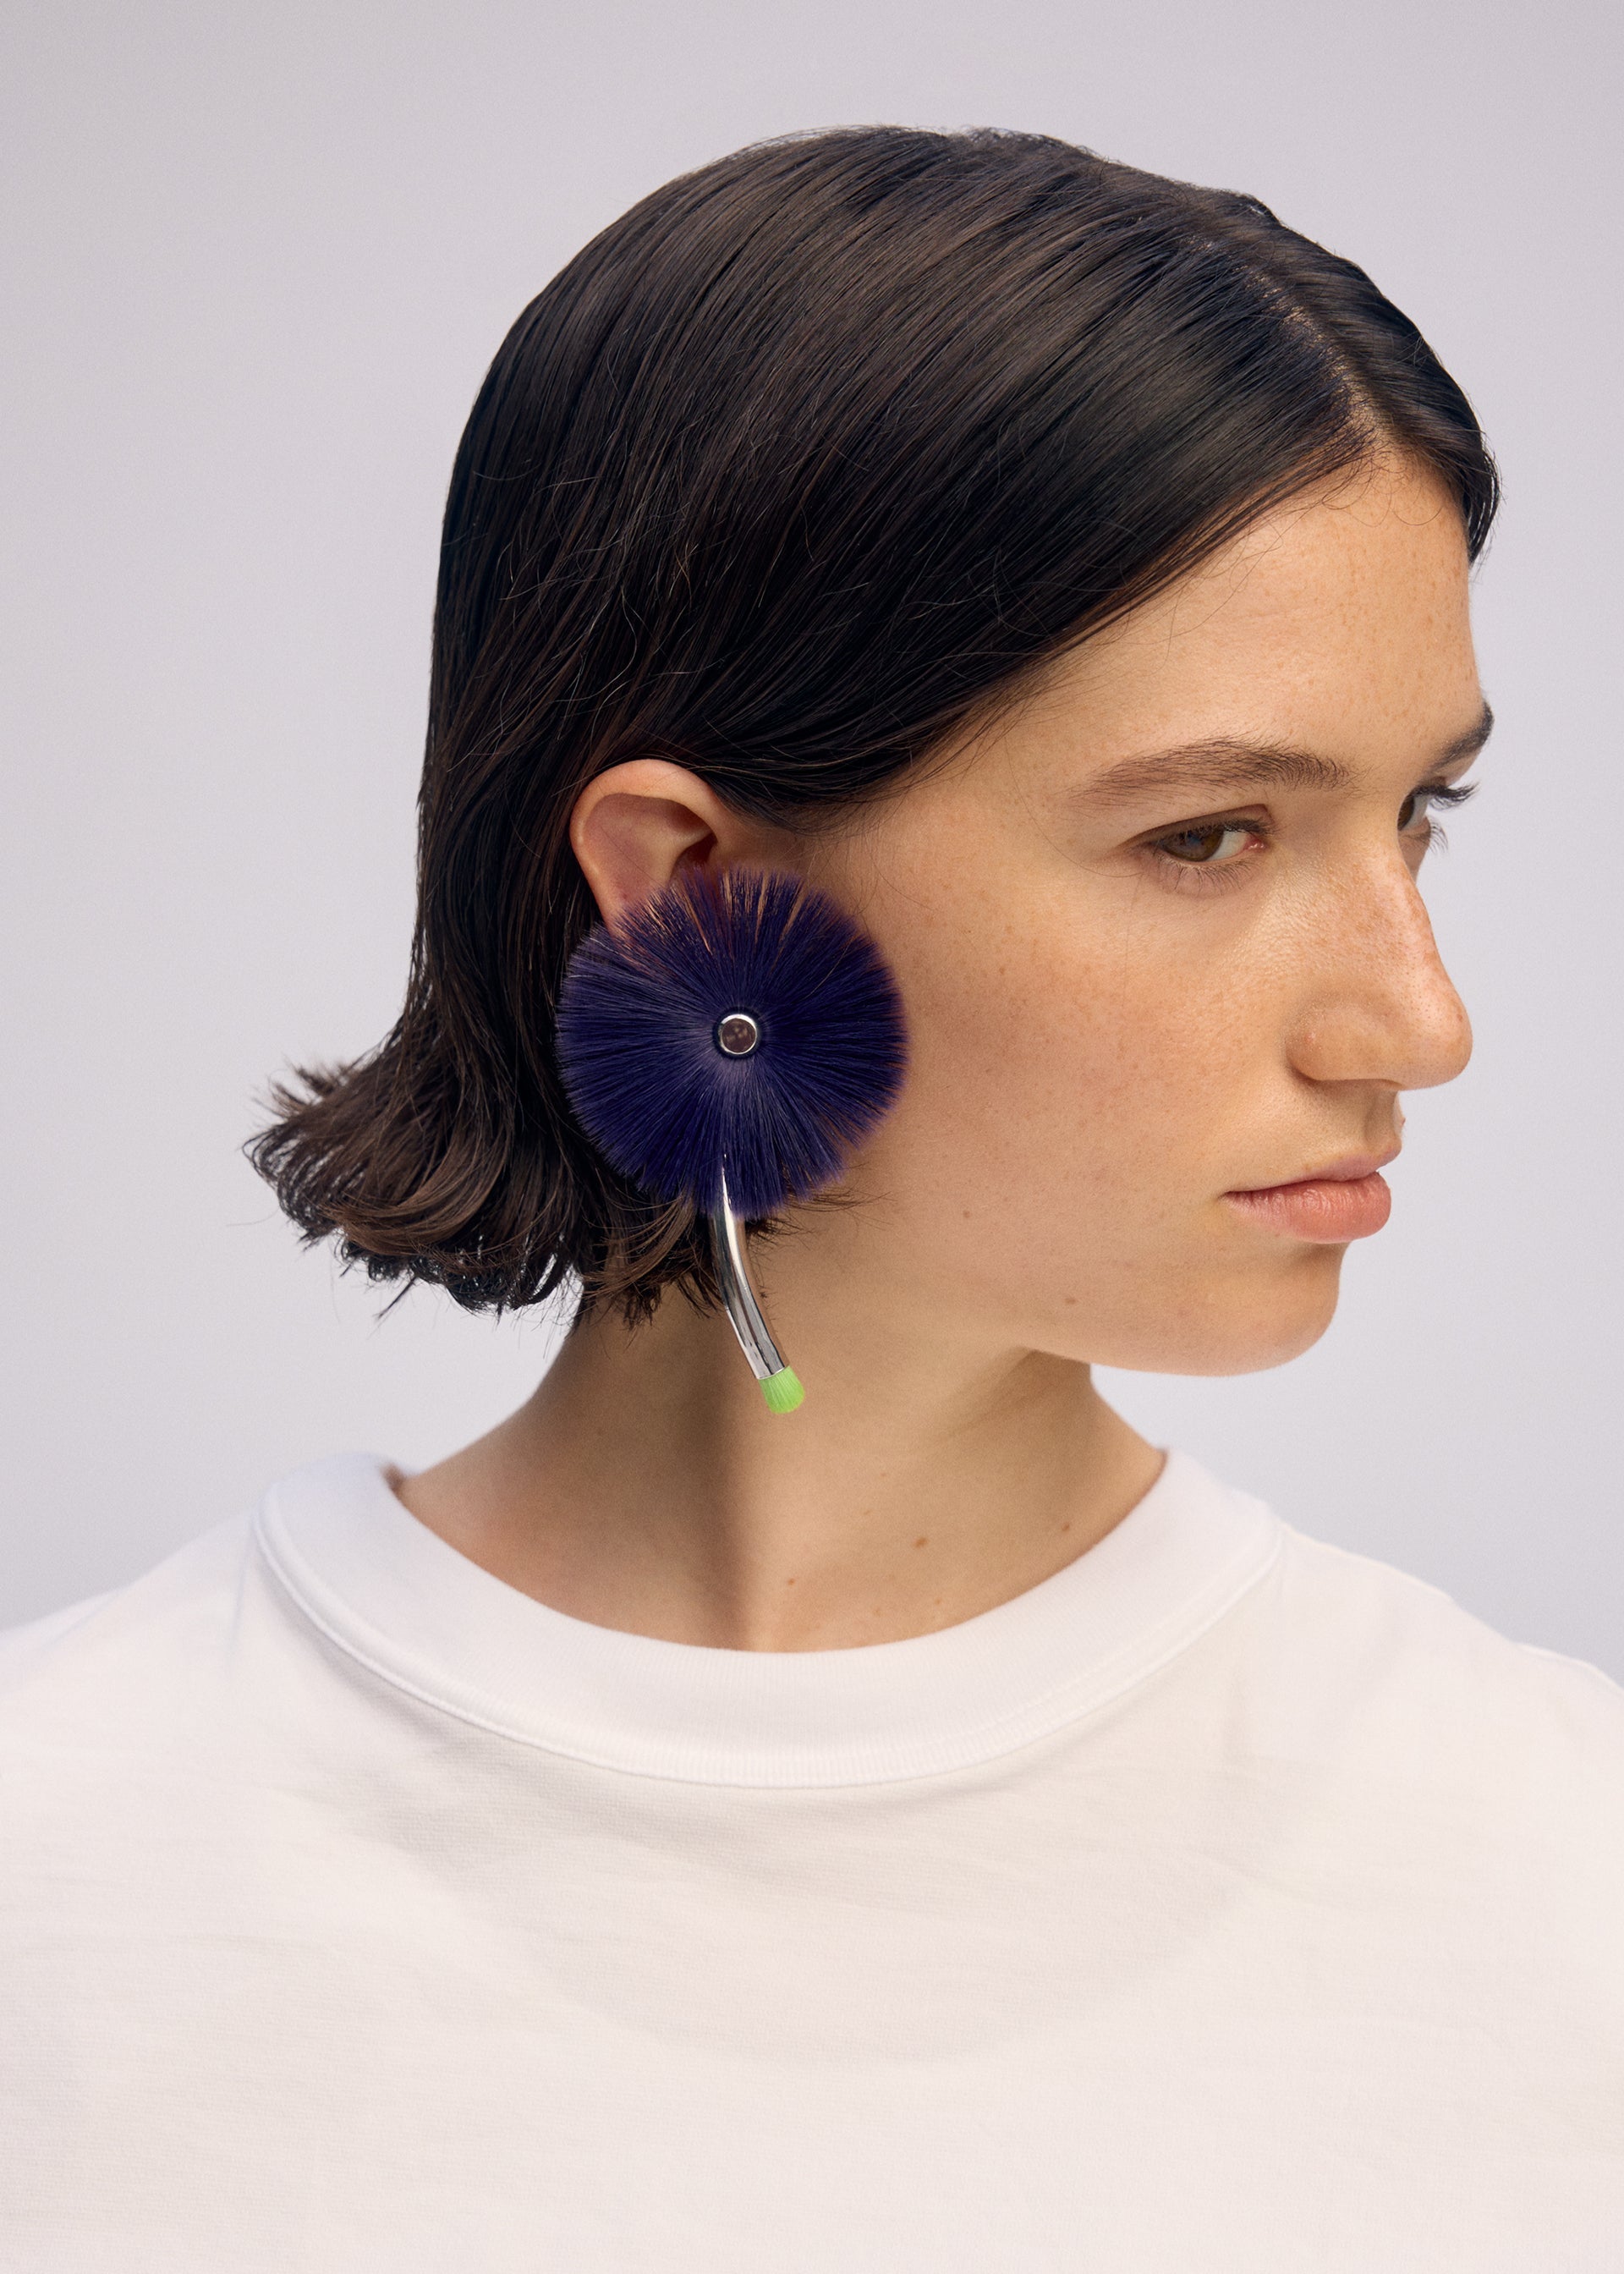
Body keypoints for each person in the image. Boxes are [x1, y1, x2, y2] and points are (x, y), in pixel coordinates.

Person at [3, 127, 1620, 2271]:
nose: (1419, 1021)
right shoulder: (60, 1875)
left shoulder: (1563, 1889)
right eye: (1211, 836)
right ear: (692, 886)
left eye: (1422, 814)